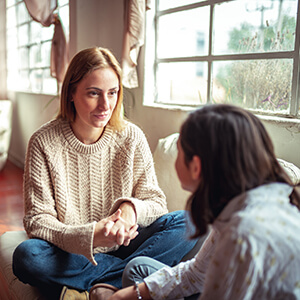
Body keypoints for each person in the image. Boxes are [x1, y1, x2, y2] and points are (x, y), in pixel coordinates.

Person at [12, 47, 197, 300]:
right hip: (72, 252)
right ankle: (128, 281)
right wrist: (92, 234)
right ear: (71, 94)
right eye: (93, 93)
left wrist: (130, 211)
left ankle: (96, 285)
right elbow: (37, 221)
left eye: (112, 93)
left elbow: (156, 203)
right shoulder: (43, 142)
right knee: (27, 256)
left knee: (189, 220)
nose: (105, 104)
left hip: (125, 244)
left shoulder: (131, 137)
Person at [108, 104, 300, 300]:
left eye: (180, 149)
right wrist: (125, 296)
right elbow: (197, 274)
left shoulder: (242, 234)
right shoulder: (244, 204)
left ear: (196, 166)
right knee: (137, 269)